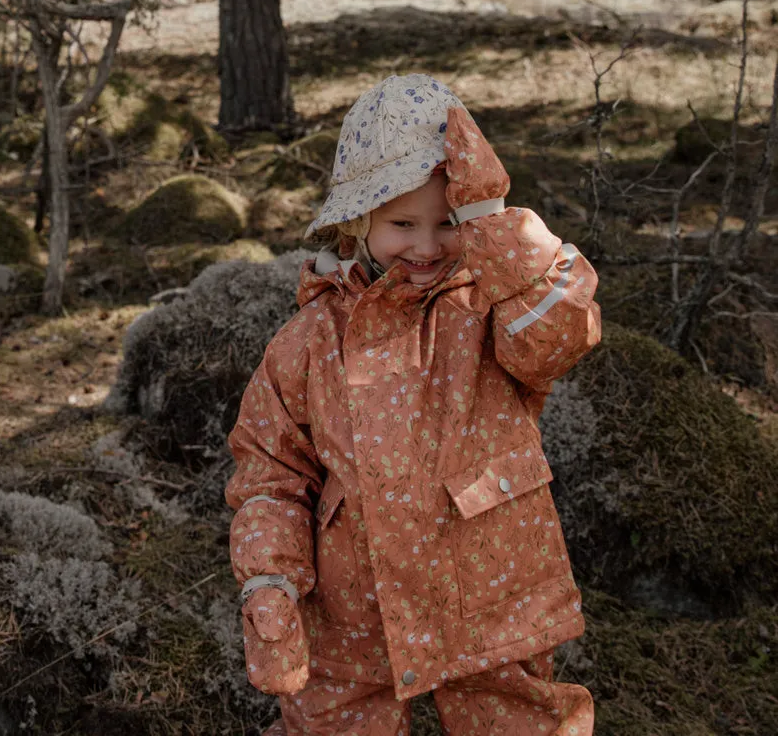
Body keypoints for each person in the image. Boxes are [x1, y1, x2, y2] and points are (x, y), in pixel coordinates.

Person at [226, 74, 601, 736]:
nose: (427, 248)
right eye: (403, 224)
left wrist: (493, 226)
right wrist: (270, 581)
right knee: (331, 723)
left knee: (519, 723)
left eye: (449, 224)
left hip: (489, 585)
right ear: (356, 221)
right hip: (353, 602)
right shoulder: (307, 343)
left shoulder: (492, 307)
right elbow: (270, 472)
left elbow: (560, 336)